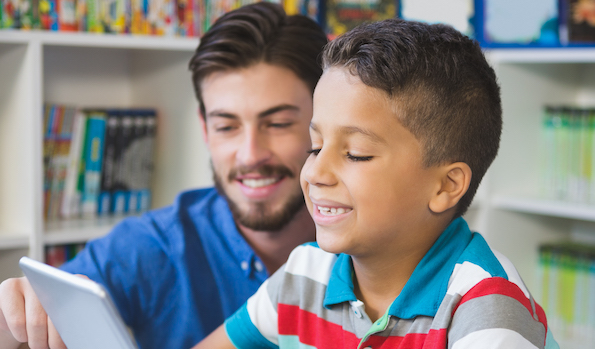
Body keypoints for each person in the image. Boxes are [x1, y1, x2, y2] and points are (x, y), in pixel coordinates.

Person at [193, 18, 560, 349]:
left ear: (446, 186)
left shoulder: (488, 310)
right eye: (315, 146)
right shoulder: (305, 276)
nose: (316, 172)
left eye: (356, 154)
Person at [0, 3, 328, 349]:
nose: (250, 154)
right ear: (204, 130)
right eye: (226, 126)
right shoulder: (154, 246)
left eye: (278, 124)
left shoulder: (374, 242)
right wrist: (14, 316)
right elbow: (42, 313)